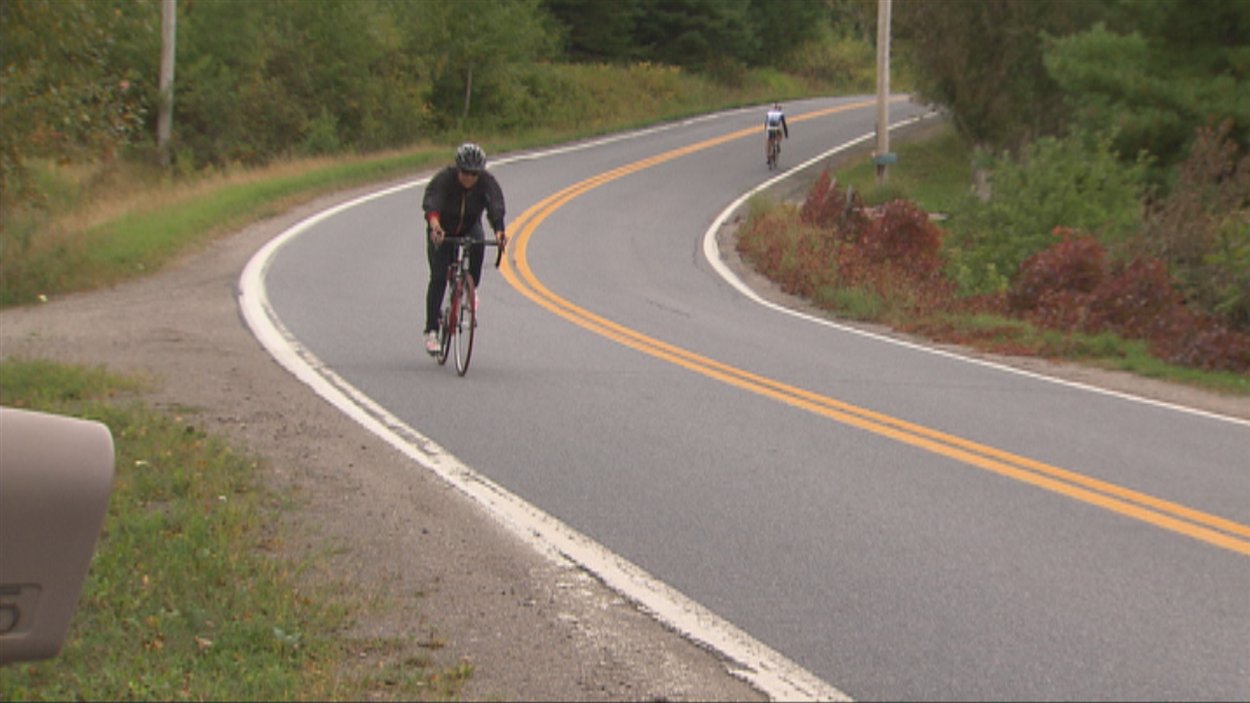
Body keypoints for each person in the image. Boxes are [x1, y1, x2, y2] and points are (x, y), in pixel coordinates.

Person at [422, 142, 508, 355]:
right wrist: (435, 226)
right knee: (439, 277)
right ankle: (432, 330)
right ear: (458, 169)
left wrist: (499, 231)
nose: (469, 178)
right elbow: (432, 203)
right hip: (443, 228)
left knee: (478, 243)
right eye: (465, 173)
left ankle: (470, 288)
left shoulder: (486, 182)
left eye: (474, 174)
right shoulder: (445, 179)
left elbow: (495, 205)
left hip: (470, 226)